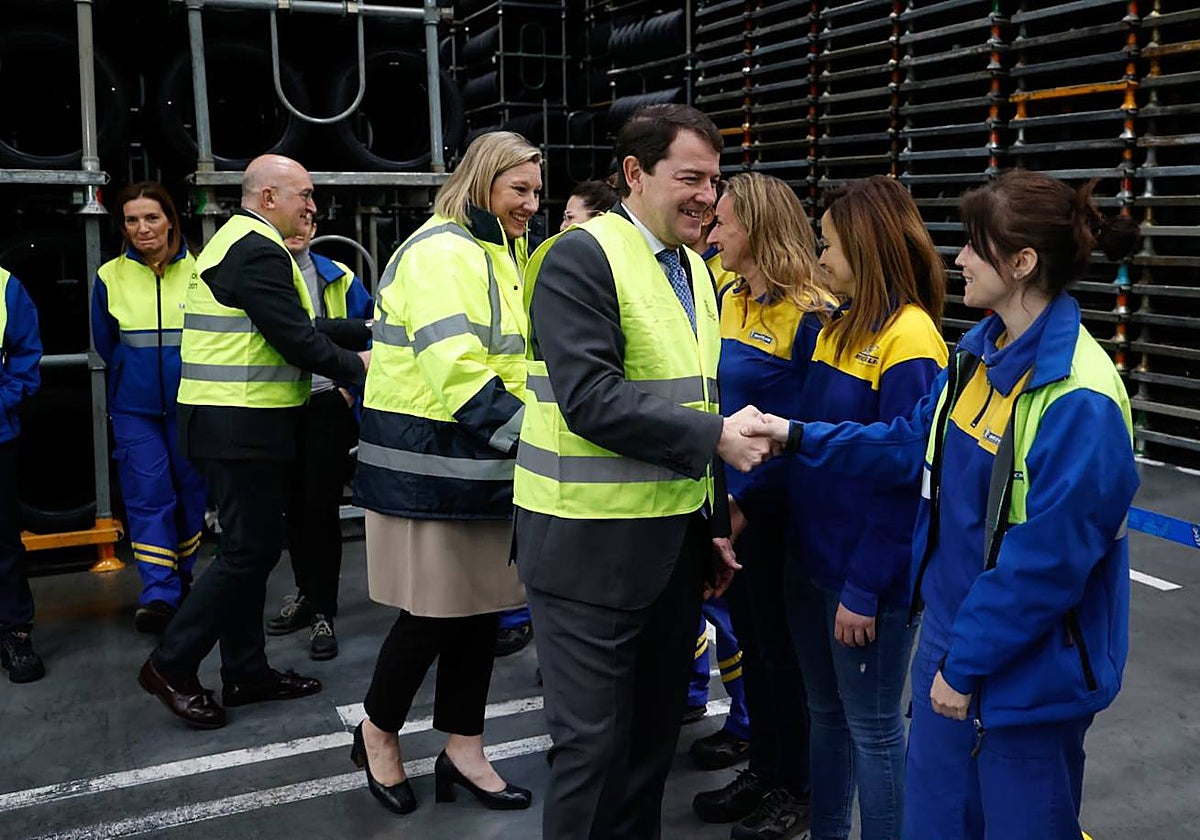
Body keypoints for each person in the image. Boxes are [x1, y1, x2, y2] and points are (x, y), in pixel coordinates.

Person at [748, 170, 1140, 840]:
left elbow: (1043, 566)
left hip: (1023, 674)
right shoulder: (977, 358)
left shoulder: (1080, 397)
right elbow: (907, 446)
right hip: (951, 648)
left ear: (1020, 263)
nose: (955, 257)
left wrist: (963, 665)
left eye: (975, 246)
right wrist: (794, 435)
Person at [512, 103, 776, 840]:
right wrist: (717, 440)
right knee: (593, 751)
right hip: (586, 547)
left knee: (650, 745)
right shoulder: (579, 257)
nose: (706, 195)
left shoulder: (693, 266)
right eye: (689, 177)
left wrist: (714, 527)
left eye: (714, 181)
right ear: (634, 173)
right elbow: (591, 399)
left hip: (669, 547)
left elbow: (699, 390)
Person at [137, 154, 369, 730]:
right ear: (269, 198)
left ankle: (245, 672)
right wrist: (363, 365)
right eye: (305, 195)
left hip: (234, 425)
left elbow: (300, 325)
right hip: (238, 425)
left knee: (249, 547)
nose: (312, 207)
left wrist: (374, 328)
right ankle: (171, 663)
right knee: (250, 550)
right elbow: (298, 342)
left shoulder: (238, 243)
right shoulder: (258, 250)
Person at [349, 131, 541, 817]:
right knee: (430, 617)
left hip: (480, 466)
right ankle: (376, 730)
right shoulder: (441, 252)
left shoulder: (498, 252)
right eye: (519, 188)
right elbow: (455, 364)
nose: (531, 203)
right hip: (428, 472)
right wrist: (537, 436)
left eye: (536, 191)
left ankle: (465, 748)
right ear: (483, 181)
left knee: (480, 617)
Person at [769, 176, 948, 840]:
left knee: (873, 730)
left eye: (830, 247)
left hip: (861, 579)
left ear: (866, 249)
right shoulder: (838, 327)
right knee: (826, 714)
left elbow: (908, 476)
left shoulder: (911, 341)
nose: (821, 261)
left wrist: (867, 587)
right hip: (813, 561)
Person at [693, 172, 831, 840]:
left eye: (724, 225)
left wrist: (741, 511)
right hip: (731, 508)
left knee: (784, 653)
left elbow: (804, 430)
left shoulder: (809, 313)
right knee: (752, 641)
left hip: (777, 514)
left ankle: (798, 788)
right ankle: (767, 768)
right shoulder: (727, 295)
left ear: (759, 231)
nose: (712, 234)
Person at [494, 178, 625, 659]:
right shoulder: (540, 264)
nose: (554, 222)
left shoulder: (581, 270)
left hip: (593, 496)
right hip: (550, 477)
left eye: (571, 217)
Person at [92, 181, 208, 634]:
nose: (142, 229)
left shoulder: (201, 271)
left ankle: (182, 579)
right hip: (135, 409)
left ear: (170, 220)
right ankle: (158, 594)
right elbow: (106, 344)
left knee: (191, 491)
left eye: (151, 218)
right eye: (132, 220)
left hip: (192, 404)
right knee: (147, 495)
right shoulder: (109, 277)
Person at [267, 218, 372, 661]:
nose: (300, 227)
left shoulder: (338, 275)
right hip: (277, 407)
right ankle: (306, 594)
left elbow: (373, 330)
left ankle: (323, 612)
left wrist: (348, 390)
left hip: (326, 405)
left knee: (321, 510)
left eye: (309, 220)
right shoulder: (264, 273)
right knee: (290, 510)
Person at [0, 266, 43, 683]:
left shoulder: (6, 286)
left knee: (3, 540)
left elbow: (26, 358)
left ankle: (13, 630)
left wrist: (3, 402)